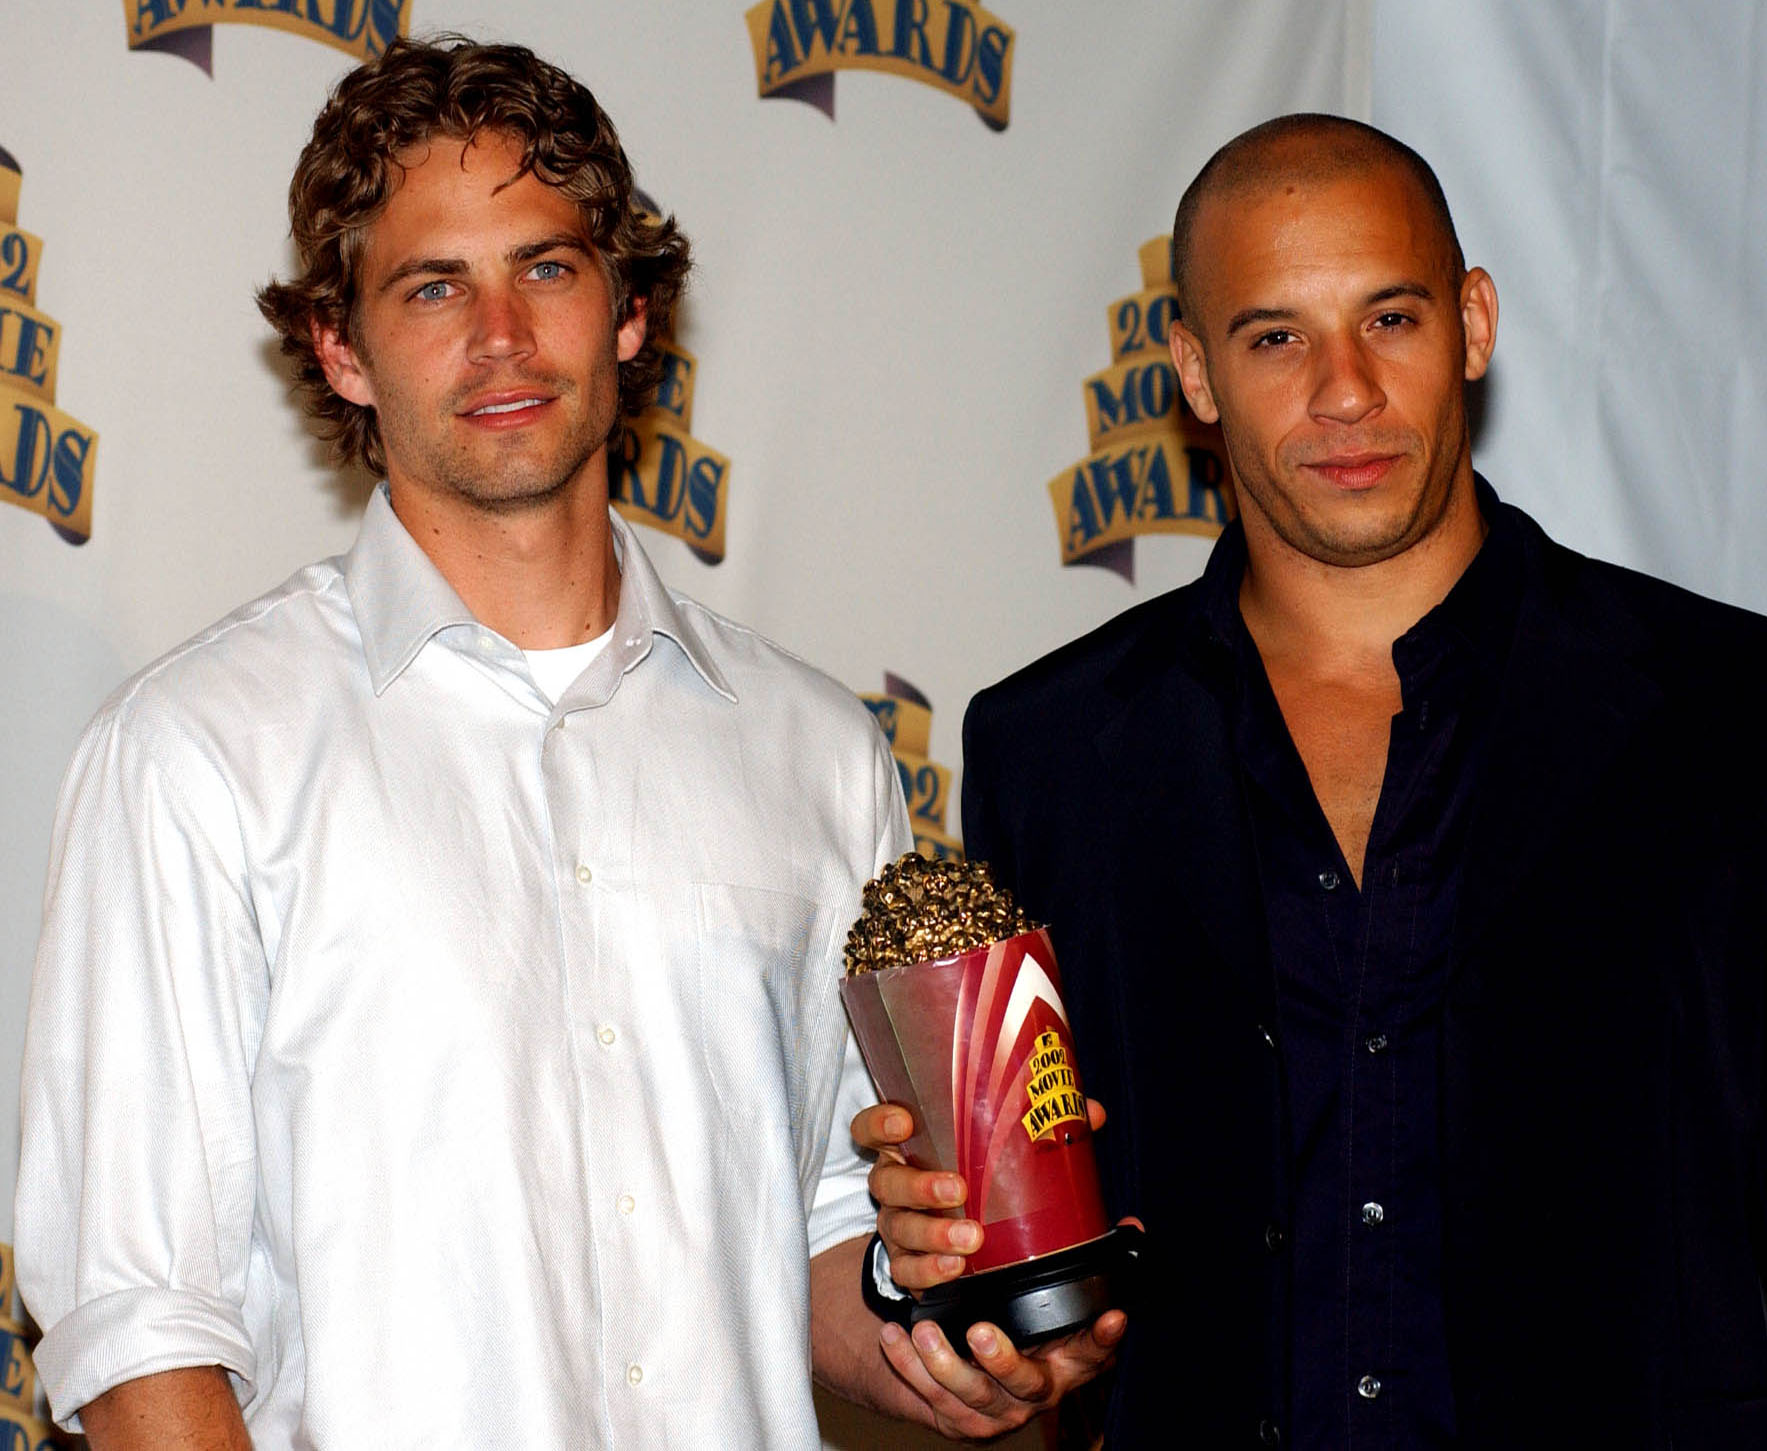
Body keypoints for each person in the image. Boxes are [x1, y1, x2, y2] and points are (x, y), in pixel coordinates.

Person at [13, 36, 1116, 1448]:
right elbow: (141, 1325)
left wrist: (958, 1350)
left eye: (546, 267)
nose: (501, 337)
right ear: (340, 349)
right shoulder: (196, 755)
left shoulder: (817, 752)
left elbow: (824, 1243)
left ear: (631, 312)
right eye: (432, 287)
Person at [865, 115, 1767, 1447]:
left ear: (1472, 323)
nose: (1343, 392)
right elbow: (1047, 1253)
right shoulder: (1052, 747)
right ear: (1192, 368)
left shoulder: (1734, 711)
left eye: (1391, 319)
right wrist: (952, 1265)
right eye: (1276, 336)